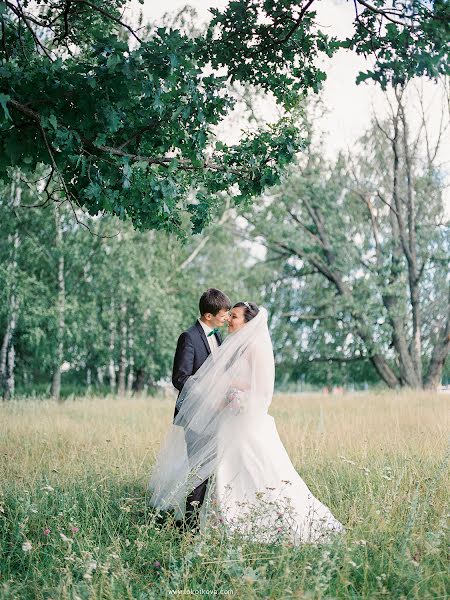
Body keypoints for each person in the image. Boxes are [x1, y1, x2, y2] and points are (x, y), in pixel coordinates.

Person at [149, 302, 345, 544]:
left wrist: (234, 393)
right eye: (229, 315)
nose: (229, 319)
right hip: (227, 422)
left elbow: (261, 389)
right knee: (223, 472)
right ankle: (215, 524)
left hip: (246, 422)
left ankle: (261, 520)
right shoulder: (234, 345)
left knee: (255, 469)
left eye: (235, 316)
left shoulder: (256, 348)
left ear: (248, 322)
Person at [171, 288, 231, 531]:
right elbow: (180, 378)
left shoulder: (217, 337)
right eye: (223, 314)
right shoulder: (189, 337)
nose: (226, 318)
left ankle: (203, 521)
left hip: (217, 417)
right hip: (196, 417)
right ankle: (189, 526)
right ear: (208, 316)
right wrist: (208, 397)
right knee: (199, 472)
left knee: (213, 471)